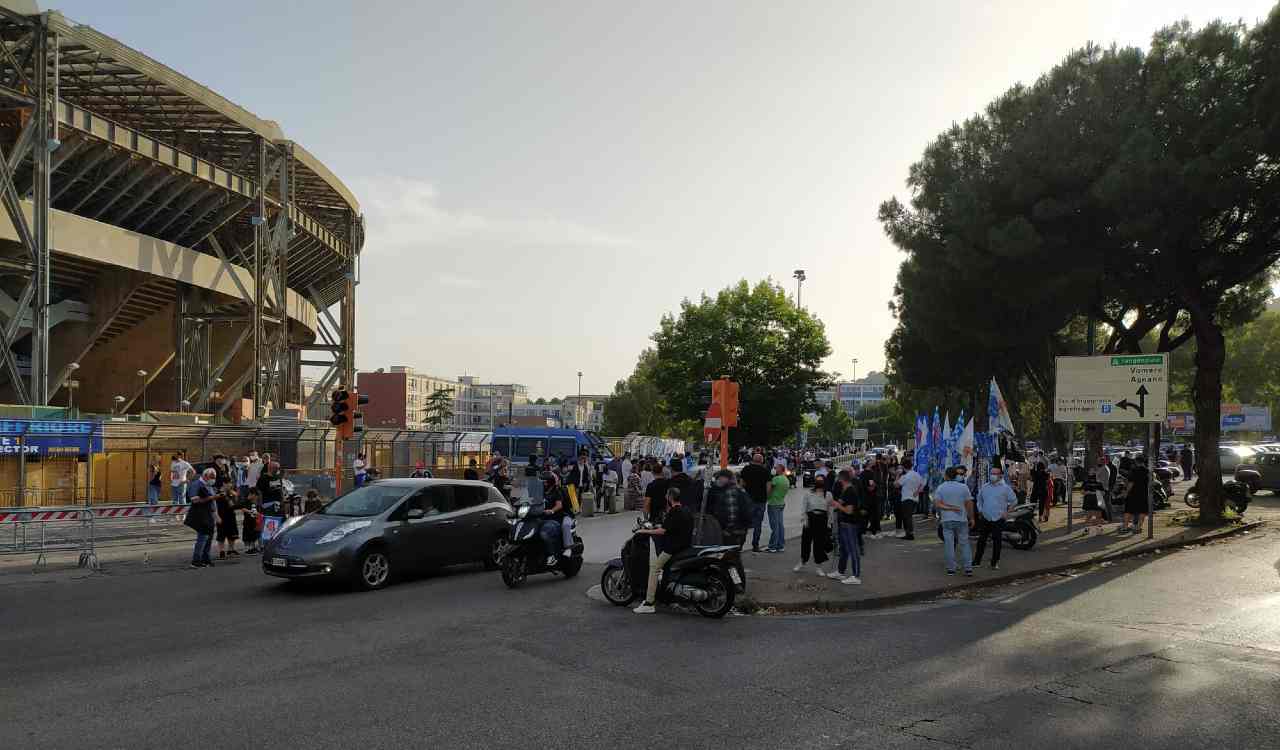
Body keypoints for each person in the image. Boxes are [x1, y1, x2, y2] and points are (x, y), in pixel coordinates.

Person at [633, 486, 694, 614]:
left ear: (670, 498)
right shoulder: (686, 510)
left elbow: (663, 531)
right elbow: (670, 526)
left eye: (667, 496)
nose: (666, 498)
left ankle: (649, 602)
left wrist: (644, 530)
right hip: (685, 546)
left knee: (654, 568)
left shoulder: (674, 512)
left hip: (673, 548)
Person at [972, 465, 1017, 570]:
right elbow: (979, 500)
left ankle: (994, 562)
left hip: (998, 518)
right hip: (985, 518)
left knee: (997, 541)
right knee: (981, 540)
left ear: (1001, 475)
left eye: (995, 473)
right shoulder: (985, 487)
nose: (992, 475)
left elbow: (1014, 501)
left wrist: (1007, 512)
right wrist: (980, 510)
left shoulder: (1006, 488)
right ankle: (976, 561)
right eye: (991, 473)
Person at [932, 466, 974, 576]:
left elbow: (937, 504)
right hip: (962, 519)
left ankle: (951, 568)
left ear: (946, 476)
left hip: (946, 520)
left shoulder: (941, 488)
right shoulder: (964, 487)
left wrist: (949, 508)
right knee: (964, 544)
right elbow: (969, 504)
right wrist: (972, 517)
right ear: (956, 475)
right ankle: (968, 568)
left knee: (949, 545)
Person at [794, 475, 833, 576]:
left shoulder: (828, 494)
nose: (819, 483)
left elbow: (830, 510)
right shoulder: (808, 493)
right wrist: (804, 520)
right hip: (810, 519)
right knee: (806, 542)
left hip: (822, 520)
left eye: (821, 481)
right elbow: (804, 507)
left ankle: (818, 567)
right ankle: (802, 561)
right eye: (818, 481)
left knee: (819, 544)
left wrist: (829, 523)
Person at [830, 469, 863, 584]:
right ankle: (840, 571)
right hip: (844, 523)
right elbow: (841, 501)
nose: (837, 481)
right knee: (844, 549)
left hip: (850, 524)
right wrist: (835, 503)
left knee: (853, 549)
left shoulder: (850, 491)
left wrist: (837, 505)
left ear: (841, 479)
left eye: (838, 478)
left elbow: (849, 511)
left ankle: (856, 576)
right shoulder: (846, 490)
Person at [184, 468, 220, 568]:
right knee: (202, 538)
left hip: (209, 515)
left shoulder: (209, 486)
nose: (213, 479)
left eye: (214, 478)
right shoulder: (196, 485)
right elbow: (194, 500)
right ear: (205, 476)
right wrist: (212, 498)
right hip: (200, 515)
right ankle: (196, 560)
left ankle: (205, 559)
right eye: (211, 477)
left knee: (209, 538)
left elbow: (212, 503)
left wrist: (216, 514)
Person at [739, 452, 772, 552]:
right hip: (761, 500)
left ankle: (740, 545)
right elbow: (768, 486)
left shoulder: (746, 469)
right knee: (758, 523)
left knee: (744, 523)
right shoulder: (766, 471)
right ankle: (755, 545)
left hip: (748, 500)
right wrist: (767, 497)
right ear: (761, 461)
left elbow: (741, 484)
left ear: (753, 460)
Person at [895, 461, 925, 541]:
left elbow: (896, 485)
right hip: (915, 498)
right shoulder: (916, 474)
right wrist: (917, 492)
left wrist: (897, 475)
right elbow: (922, 484)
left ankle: (910, 534)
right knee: (909, 516)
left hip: (906, 498)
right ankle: (909, 533)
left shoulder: (905, 477)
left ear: (904, 468)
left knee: (907, 517)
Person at [765, 462, 790, 553]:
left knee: (774, 526)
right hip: (781, 502)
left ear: (780, 469)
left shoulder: (775, 479)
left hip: (773, 503)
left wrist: (766, 497)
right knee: (780, 525)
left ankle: (772, 546)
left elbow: (769, 490)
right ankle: (780, 545)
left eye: (776, 468)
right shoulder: (786, 480)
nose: (775, 469)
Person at [1122, 459, 1150, 535]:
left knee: (1128, 510)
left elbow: (1131, 483)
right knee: (1142, 511)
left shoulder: (1134, 470)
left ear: (1136, 463)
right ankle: (1138, 528)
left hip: (1133, 494)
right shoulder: (1147, 471)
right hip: (1143, 494)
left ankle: (1125, 527)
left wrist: (1126, 492)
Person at [214, 483, 240, 560]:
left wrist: (234, 495)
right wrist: (216, 516)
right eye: (228, 484)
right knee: (221, 534)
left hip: (231, 515)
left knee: (232, 533)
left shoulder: (231, 493)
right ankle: (221, 551)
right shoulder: (218, 493)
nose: (230, 486)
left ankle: (231, 549)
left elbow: (234, 504)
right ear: (223, 485)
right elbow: (214, 504)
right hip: (221, 515)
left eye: (231, 484)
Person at [1079, 468, 1106, 534]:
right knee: (1089, 515)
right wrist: (1087, 492)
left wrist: (1094, 493)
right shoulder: (1086, 481)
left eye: (1094, 471)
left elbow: (1103, 492)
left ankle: (1099, 529)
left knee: (1098, 515)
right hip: (1089, 499)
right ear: (1088, 472)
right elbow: (1082, 491)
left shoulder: (1099, 481)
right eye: (1091, 470)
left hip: (1097, 499)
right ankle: (1086, 529)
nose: (1092, 472)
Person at [240, 487, 262, 555]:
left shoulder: (257, 503)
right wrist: (250, 512)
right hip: (247, 521)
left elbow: (259, 511)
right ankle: (248, 549)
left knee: (254, 535)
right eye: (256, 496)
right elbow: (243, 508)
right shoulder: (246, 501)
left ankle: (252, 548)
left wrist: (259, 514)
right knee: (247, 535)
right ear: (252, 495)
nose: (257, 497)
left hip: (255, 522)